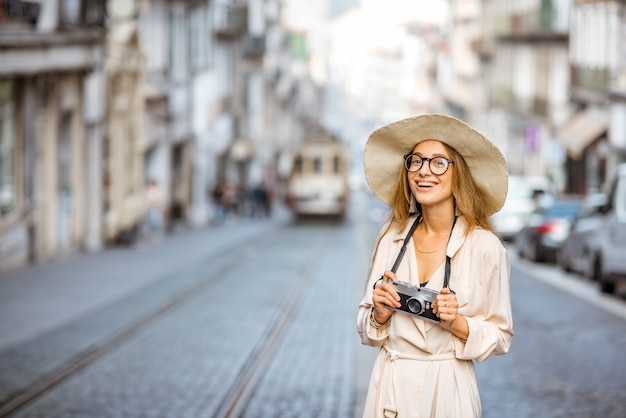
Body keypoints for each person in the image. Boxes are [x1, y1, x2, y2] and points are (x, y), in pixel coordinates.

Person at [357, 114, 514, 417]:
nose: (423, 171)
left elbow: (501, 336)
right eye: (415, 161)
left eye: (438, 162)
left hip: (448, 393)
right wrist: (378, 315)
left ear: (460, 174)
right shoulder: (391, 237)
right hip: (390, 390)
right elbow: (366, 327)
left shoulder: (485, 247)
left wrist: (457, 323)